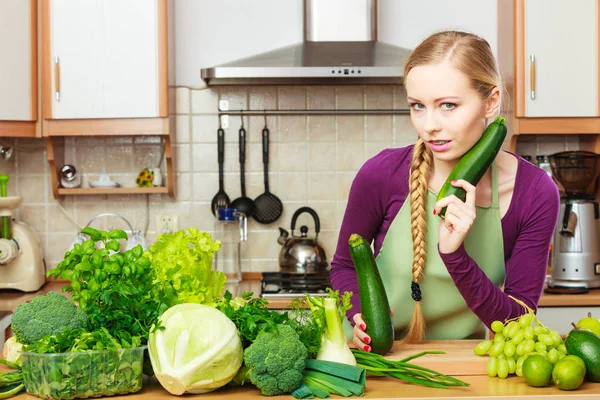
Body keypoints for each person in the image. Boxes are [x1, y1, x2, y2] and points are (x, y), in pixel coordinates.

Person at [330, 30, 560, 351]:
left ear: (491, 102)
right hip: (376, 359)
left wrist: (455, 255)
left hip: (462, 367)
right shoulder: (381, 173)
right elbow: (343, 266)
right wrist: (359, 316)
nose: (429, 125)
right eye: (418, 106)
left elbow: (518, 322)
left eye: (448, 105)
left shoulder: (533, 192)